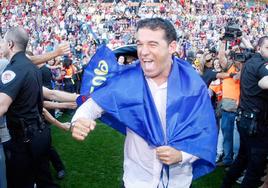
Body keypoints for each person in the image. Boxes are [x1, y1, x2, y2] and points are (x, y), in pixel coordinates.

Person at [71, 18, 217, 188]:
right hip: (136, 181)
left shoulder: (192, 85)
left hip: (179, 182)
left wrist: (182, 155)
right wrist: (79, 120)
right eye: (140, 44)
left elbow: (204, 133)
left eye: (152, 44)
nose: (143, 52)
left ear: (172, 47)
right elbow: (92, 105)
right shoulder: (128, 79)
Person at [0, 27, 58, 188]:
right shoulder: (32, 67)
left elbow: (1, 107)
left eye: (3, 42)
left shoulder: (13, 69)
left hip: (24, 140)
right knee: (43, 180)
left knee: (19, 182)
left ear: (10, 44)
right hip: (39, 132)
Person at [221, 36, 268, 188]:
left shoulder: (250, 61)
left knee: (242, 159)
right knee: (255, 168)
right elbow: (264, 82)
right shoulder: (261, 64)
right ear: (260, 48)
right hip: (255, 124)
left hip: (245, 120)